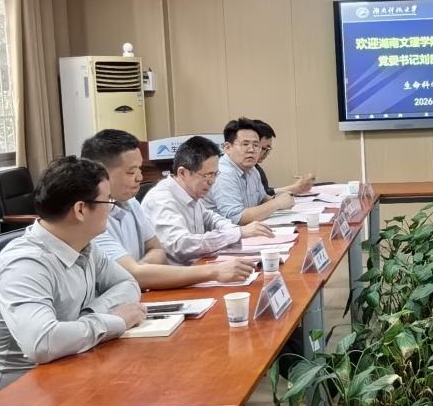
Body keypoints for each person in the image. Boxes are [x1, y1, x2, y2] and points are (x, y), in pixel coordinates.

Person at [0, 156, 146, 406]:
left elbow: (128, 284)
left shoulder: (84, 245)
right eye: (108, 201)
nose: (112, 208)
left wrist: (91, 315)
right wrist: (115, 321)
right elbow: (42, 343)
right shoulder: (25, 263)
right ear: (80, 210)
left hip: (57, 381)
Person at [81, 129, 257, 289]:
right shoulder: (92, 217)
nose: (140, 177)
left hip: (150, 287)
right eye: (131, 172)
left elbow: (157, 250)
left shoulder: (131, 202)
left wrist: (141, 269)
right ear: (101, 173)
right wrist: (214, 271)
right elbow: (136, 273)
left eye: (140, 169)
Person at [142, 135, 271, 264]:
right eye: (207, 175)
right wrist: (237, 233)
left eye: (215, 174)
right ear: (182, 173)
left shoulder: (190, 193)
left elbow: (210, 218)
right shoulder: (162, 199)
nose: (212, 181)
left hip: (197, 265)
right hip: (178, 273)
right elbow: (180, 244)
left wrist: (234, 230)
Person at [208, 118, 300, 224]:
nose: (251, 150)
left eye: (256, 145)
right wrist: (277, 203)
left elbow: (261, 199)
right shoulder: (223, 173)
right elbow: (236, 218)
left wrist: (280, 199)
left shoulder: (252, 169)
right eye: (245, 144)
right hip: (223, 232)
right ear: (227, 147)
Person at [253, 119, 315, 198]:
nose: (267, 153)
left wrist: (297, 188)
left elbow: (264, 192)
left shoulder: (256, 169)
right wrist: (296, 188)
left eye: (269, 149)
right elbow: (261, 197)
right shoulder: (242, 171)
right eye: (265, 148)